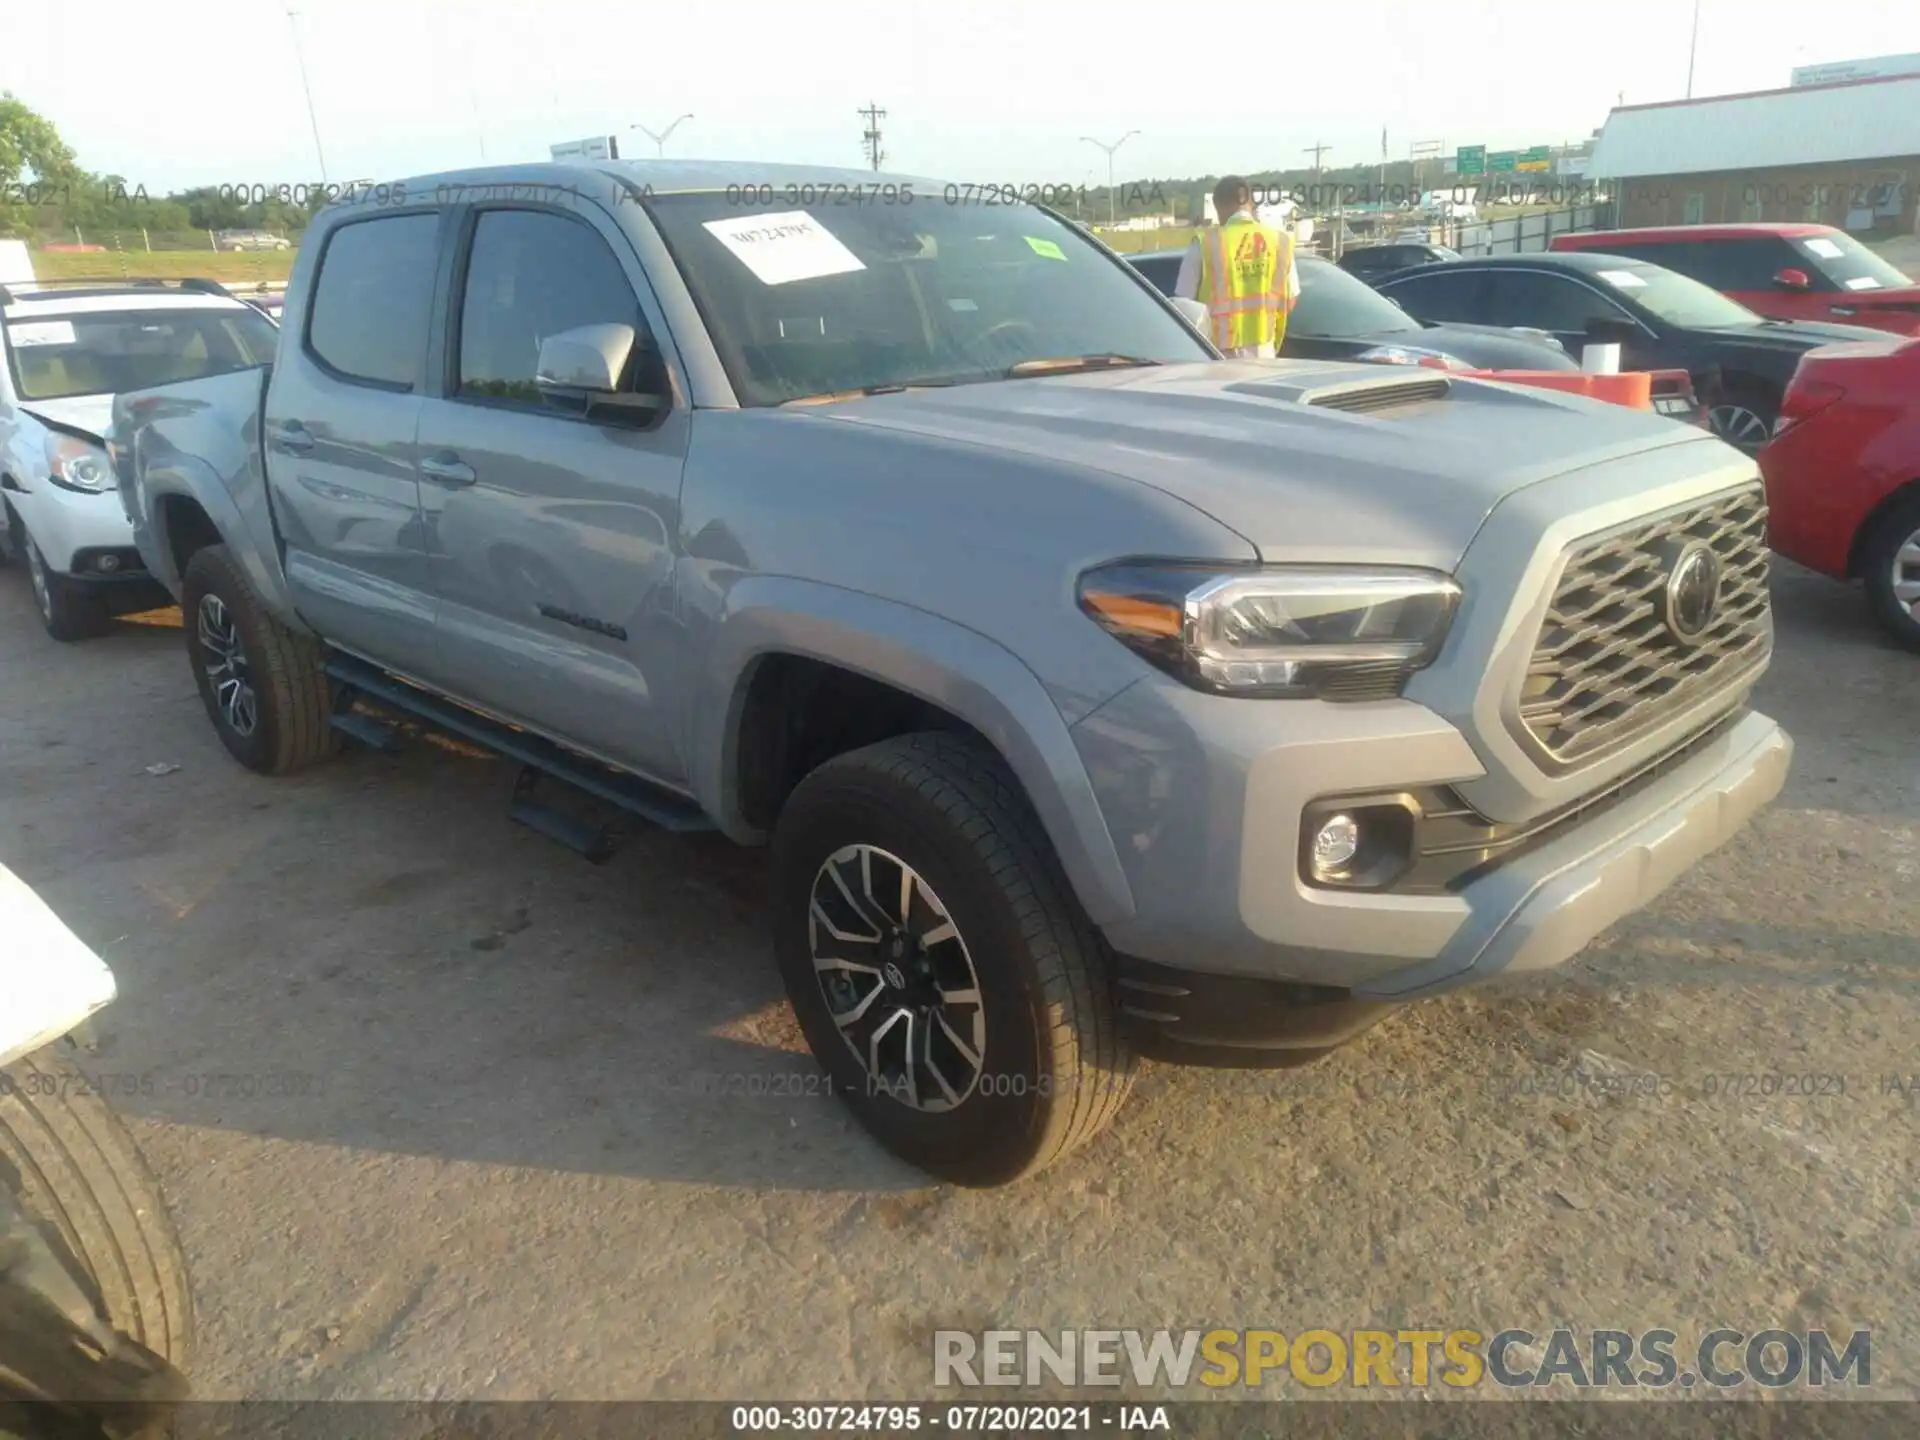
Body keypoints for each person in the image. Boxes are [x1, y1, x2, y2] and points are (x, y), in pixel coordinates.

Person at [1175, 175, 1299, 358]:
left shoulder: (1205, 244)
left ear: (1218, 207)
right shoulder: (1280, 241)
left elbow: (1182, 308)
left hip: (1217, 356)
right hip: (1265, 354)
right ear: (1251, 204)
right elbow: (1290, 300)